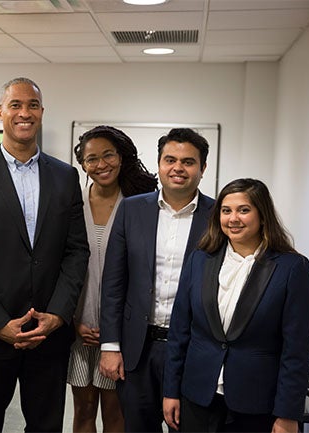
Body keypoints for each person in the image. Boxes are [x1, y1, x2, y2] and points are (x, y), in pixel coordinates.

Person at [0, 77, 90, 433]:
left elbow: (76, 251)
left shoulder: (65, 176)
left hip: (48, 335)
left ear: (42, 112)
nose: (25, 113)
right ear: (0, 112)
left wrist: (57, 314)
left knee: (45, 427)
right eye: (16, 105)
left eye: (33, 106)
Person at [163, 178, 309, 433]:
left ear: (263, 215)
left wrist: (287, 413)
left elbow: (296, 349)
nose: (233, 218)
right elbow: (179, 332)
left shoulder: (292, 268)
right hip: (198, 396)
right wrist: (171, 391)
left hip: (256, 403)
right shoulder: (200, 260)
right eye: (226, 211)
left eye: (244, 210)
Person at [99, 128, 215, 432]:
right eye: (170, 160)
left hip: (193, 349)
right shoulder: (132, 208)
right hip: (138, 347)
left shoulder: (217, 216)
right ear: (160, 163)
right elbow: (113, 282)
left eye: (188, 162)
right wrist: (110, 345)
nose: (178, 168)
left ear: (203, 168)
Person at [68, 125, 158, 432]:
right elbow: (61, 269)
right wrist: (72, 321)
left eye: (108, 155)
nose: (101, 164)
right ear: (82, 164)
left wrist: (113, 332)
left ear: (122, 157)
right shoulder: (73, 205)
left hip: (121, 334)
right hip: (80, 329)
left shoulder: (140, 205)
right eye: (92, 158)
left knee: (116, 414)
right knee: (82, 413)